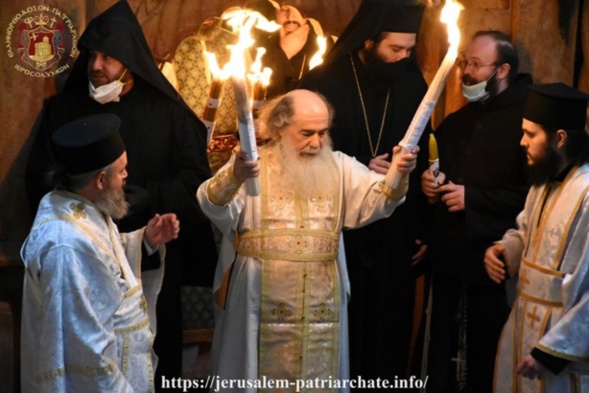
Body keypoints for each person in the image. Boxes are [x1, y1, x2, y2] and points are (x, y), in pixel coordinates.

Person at [24, 1, 217, 384]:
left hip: (152, 251)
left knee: (155, 360)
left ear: (129, 60)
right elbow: (41, 178)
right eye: (92, 55)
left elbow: (195, 181)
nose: (96, 65)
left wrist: (148, 204)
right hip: (86, 244)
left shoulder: (169, 113)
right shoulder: (65, 109)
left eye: (109, 57)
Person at [196, 89, 419, 391]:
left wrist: (398, 172)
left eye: (323, 133)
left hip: (322, 298)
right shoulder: (251, 165)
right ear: (279, 126)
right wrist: (235, 175)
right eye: (307, 133)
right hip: (258, 298)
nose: (316, 143)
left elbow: (379, 199)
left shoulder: (338, 166)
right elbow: (212, 204)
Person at [298, 0, 431, 383]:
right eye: (395, 49)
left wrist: (421, 224)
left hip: (394, 235)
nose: (404, 58)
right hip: (341, 237)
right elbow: (305, 155)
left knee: (388, 333)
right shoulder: (324, 82)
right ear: (369, 42)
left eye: (409, 50)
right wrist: (358, 169)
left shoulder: (413, 83)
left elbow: (425, 154)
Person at [21, 114, 180, 392]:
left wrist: (144, 241)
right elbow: (85, 347)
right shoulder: (65, 245)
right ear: (101, 179)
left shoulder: (77, 206)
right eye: (122, 172)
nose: (126, 178)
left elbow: (103, 257)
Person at [420, 31, 531, 391]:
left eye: (475, 65)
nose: (465, 72)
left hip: (496, 263)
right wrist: (430, 186)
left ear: (502, 70)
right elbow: (439, 174)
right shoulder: (457, 121)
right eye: (464, 63)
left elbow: (534, 197)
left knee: (486, 362)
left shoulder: (528, 120)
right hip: (451, 262)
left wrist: (474, 198)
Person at [484, 83, 589, 392]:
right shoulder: (542, 182)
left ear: (560, 138)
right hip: (522, 327)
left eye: (531, 134)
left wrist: (553, 349)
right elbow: (527, 232)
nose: (522, 142)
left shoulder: (585, 193)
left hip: (558, 345)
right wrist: (504, 251)